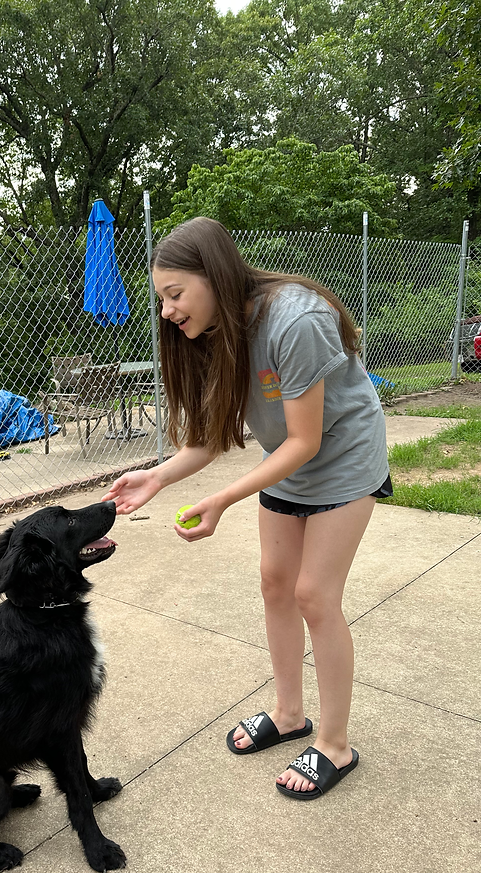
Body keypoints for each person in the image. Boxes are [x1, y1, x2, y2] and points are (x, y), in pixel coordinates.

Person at [103, 216, 391, 800]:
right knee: (274, 582)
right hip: (287, 459)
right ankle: (289, 715)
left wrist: (223, 498)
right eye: (161, 299)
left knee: (314, 593)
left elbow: (305, 441)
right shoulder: (217, 331)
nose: (167, 311)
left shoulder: (297, 319)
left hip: (343, 459)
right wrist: (157, 477)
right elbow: (212, 435)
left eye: (175, 295)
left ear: (215, 276)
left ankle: (335, 744)